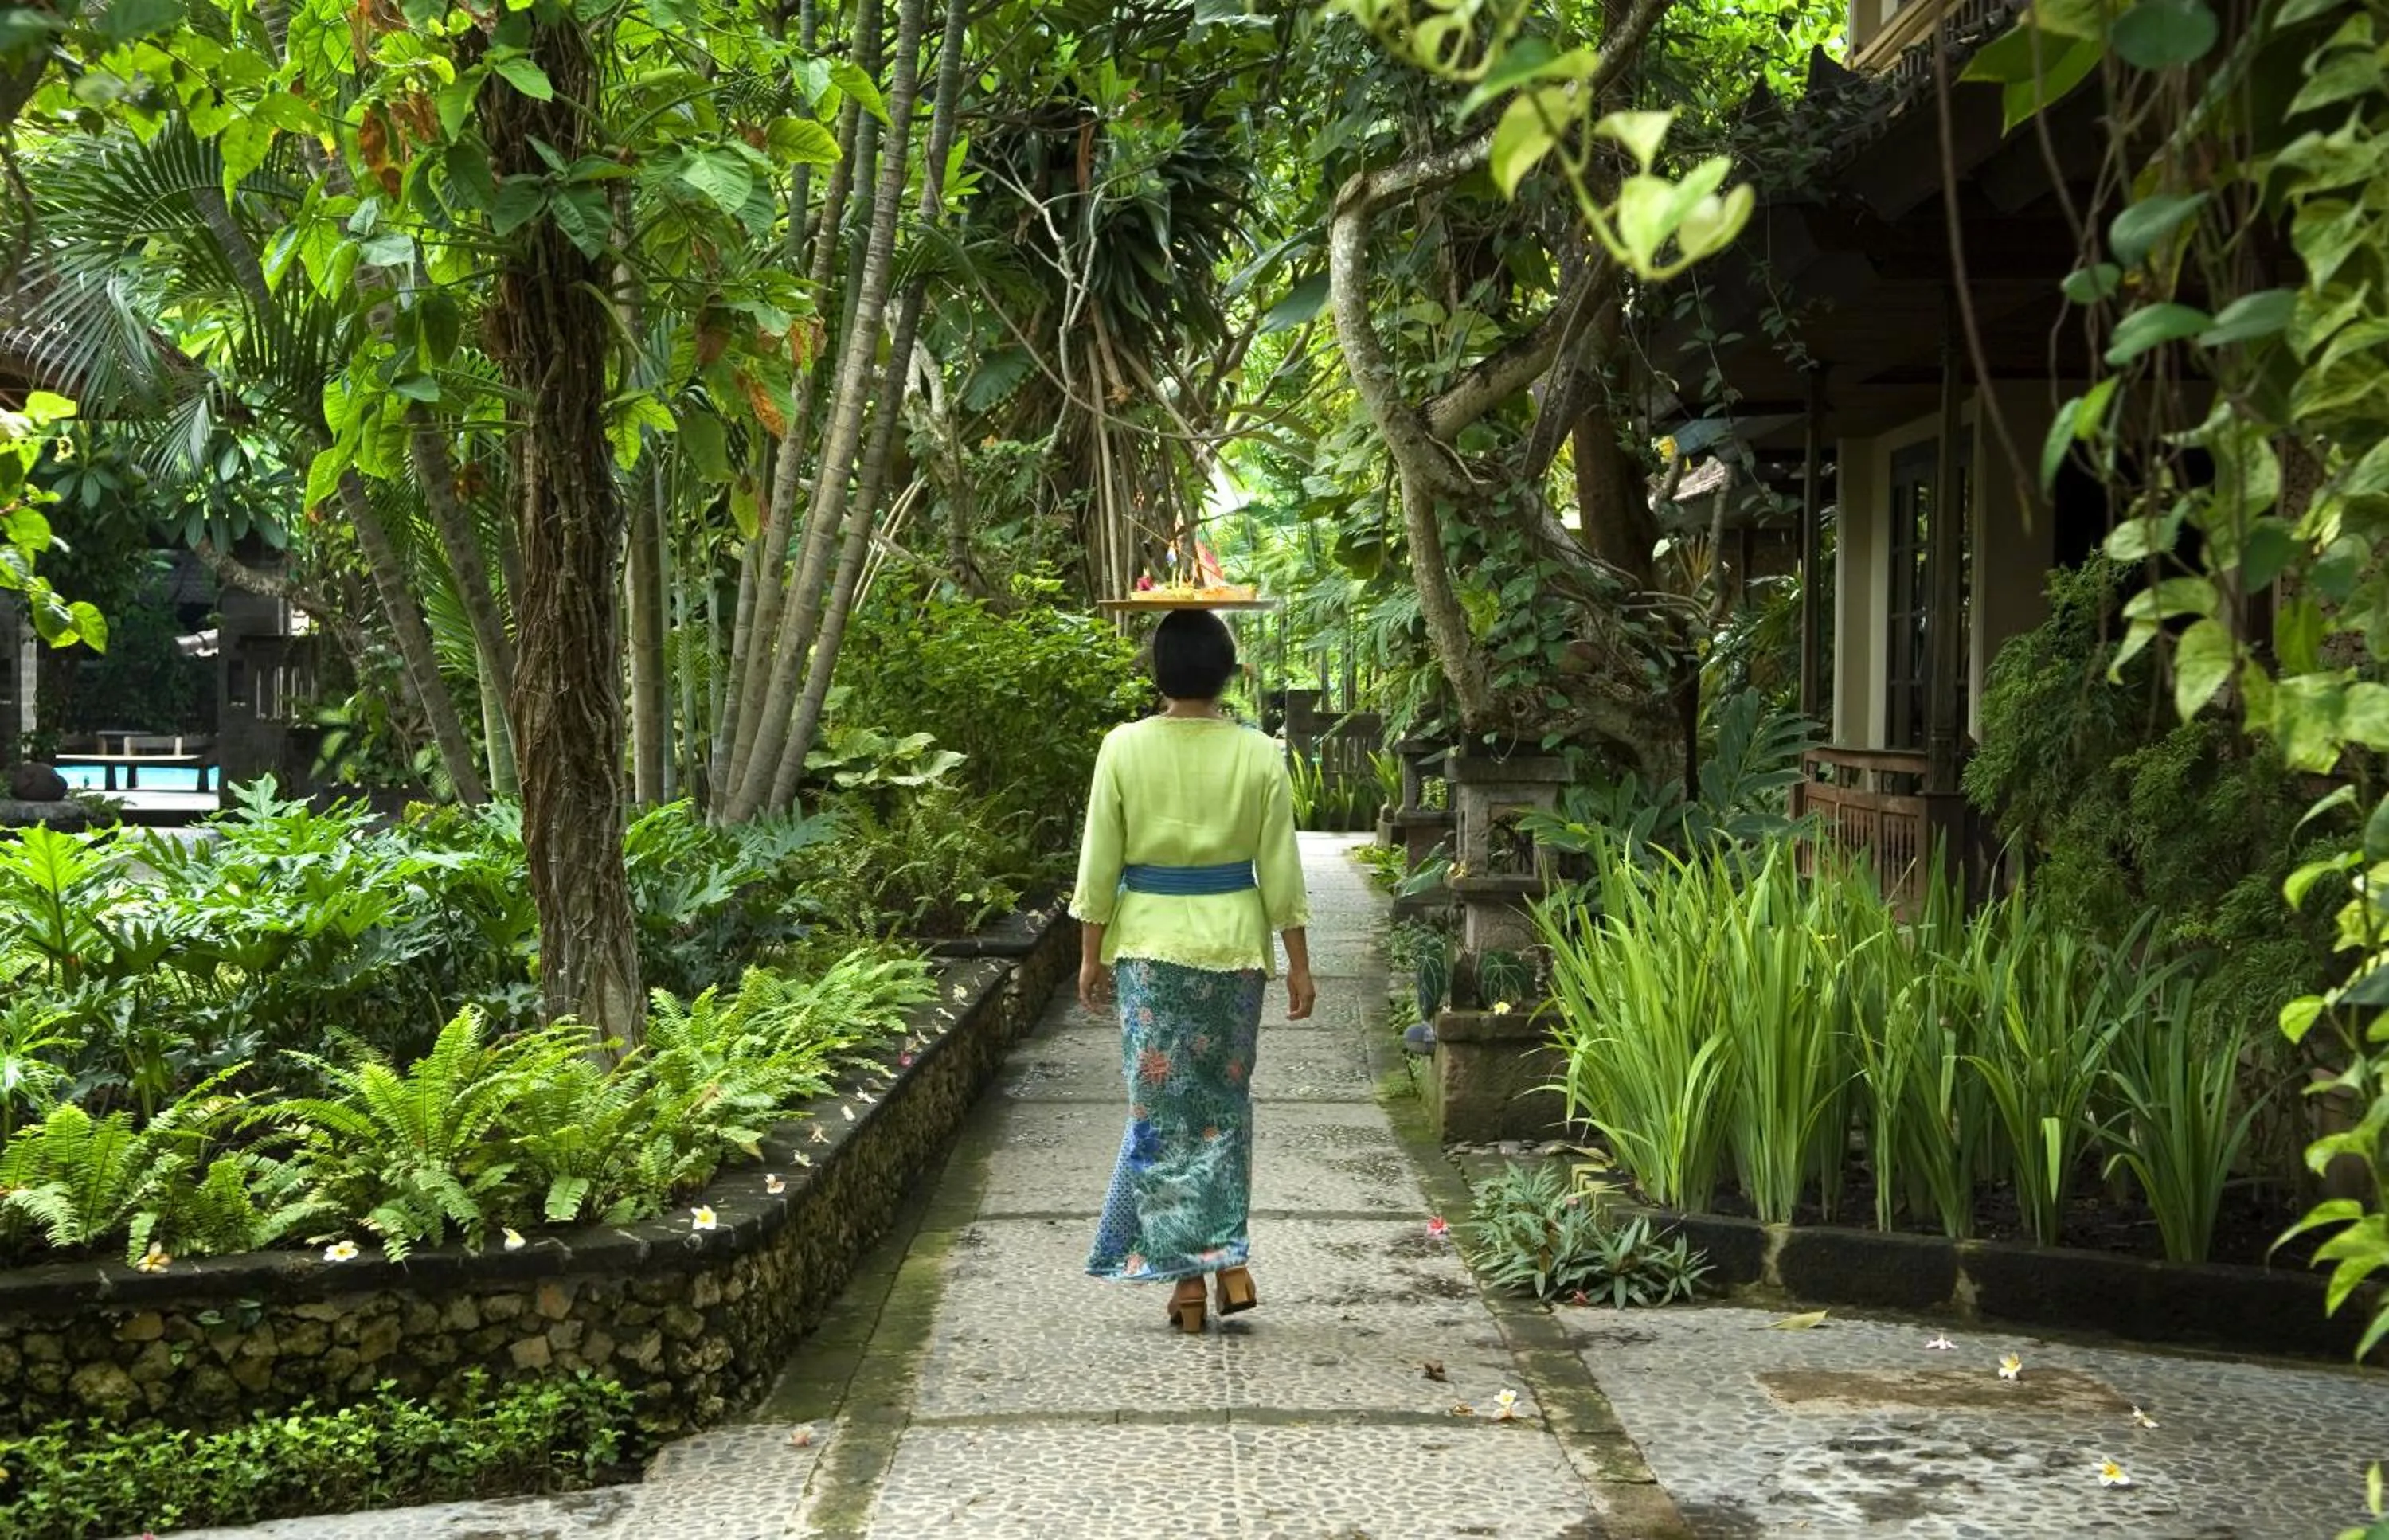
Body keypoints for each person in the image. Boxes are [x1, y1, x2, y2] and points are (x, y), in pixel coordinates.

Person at [1069, 608, 1316, 1334]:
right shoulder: (1259, 753)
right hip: (1234, 950)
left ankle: (1187, 1286)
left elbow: (1099, 862)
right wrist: (1300, 965)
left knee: (1160, 1116)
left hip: (1150, 950)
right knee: (1223, 1109)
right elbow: (1280, 868)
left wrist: (1090, 954)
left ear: (1158, 672)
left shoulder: (1122, 747)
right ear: (1227, 674)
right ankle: (1227, 1263)